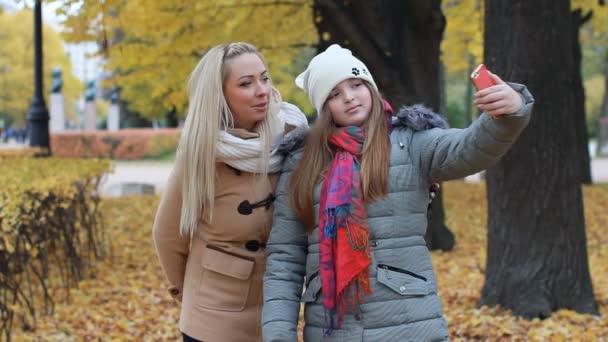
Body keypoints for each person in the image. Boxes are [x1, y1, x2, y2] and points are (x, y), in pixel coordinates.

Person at [262, 44, 534, 341]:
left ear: (370, 87)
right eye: (334, 93)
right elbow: (285, 259)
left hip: (410, 323)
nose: (349, 97)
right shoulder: (300, 161)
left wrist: (508, 111)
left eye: (356, 85)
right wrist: (278, 335)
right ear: (322, 106)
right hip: (334, 330)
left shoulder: (409, 140)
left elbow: (469, 148)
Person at [152, 42, 308, 342]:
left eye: (264, 78)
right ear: (220, 95)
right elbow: (168, 234)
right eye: (246, 84)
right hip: (212, 315)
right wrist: (186, 292)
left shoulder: (292, 137)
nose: (262, 90)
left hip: (277, 313)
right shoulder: (202, 152)